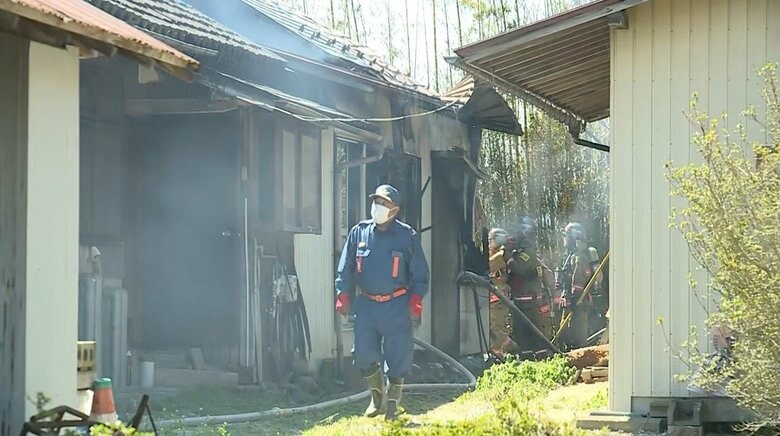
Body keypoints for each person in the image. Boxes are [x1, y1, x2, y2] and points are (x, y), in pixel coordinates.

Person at [334, 184, 430, 420]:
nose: (377, 207)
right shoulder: (359, 232)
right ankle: (377, 397)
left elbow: (420, 272)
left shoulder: (407, 236)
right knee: (364, 353)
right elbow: (345, 267)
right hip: (366, 305)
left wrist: (416, 298)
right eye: (375, 201)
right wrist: (342, 293)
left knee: (398, 355)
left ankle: (393, 405)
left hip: (397, 304)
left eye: (383, 203)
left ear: (394, 210)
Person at [506, 216, 552, 352]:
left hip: (529, 306)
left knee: (529, 339)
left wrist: (507, 254)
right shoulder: (522, 252)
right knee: (522, 339)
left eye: (518, 231)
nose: (515, 234)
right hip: (522, 305)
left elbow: (518, 269)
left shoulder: (527, 253)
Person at [557, 222, 602, 349]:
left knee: (579, 336)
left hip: (578, 302)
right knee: (564, 333)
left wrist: (573, 299)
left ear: (573, 237)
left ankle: (580, 361)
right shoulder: (570, 256)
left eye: (566, 236)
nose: (564, 239)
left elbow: (578, 281)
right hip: (571, 301)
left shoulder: (579, 258)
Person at [487, 228, 520, 358]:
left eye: (490, 240)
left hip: (499, 295)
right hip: (496, 295)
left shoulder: (501, 255)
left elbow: (488, 264)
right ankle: (497, 353)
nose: (489, 243)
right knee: (494, 327)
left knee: (496, 328)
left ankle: (511, 347)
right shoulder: (497, 254)